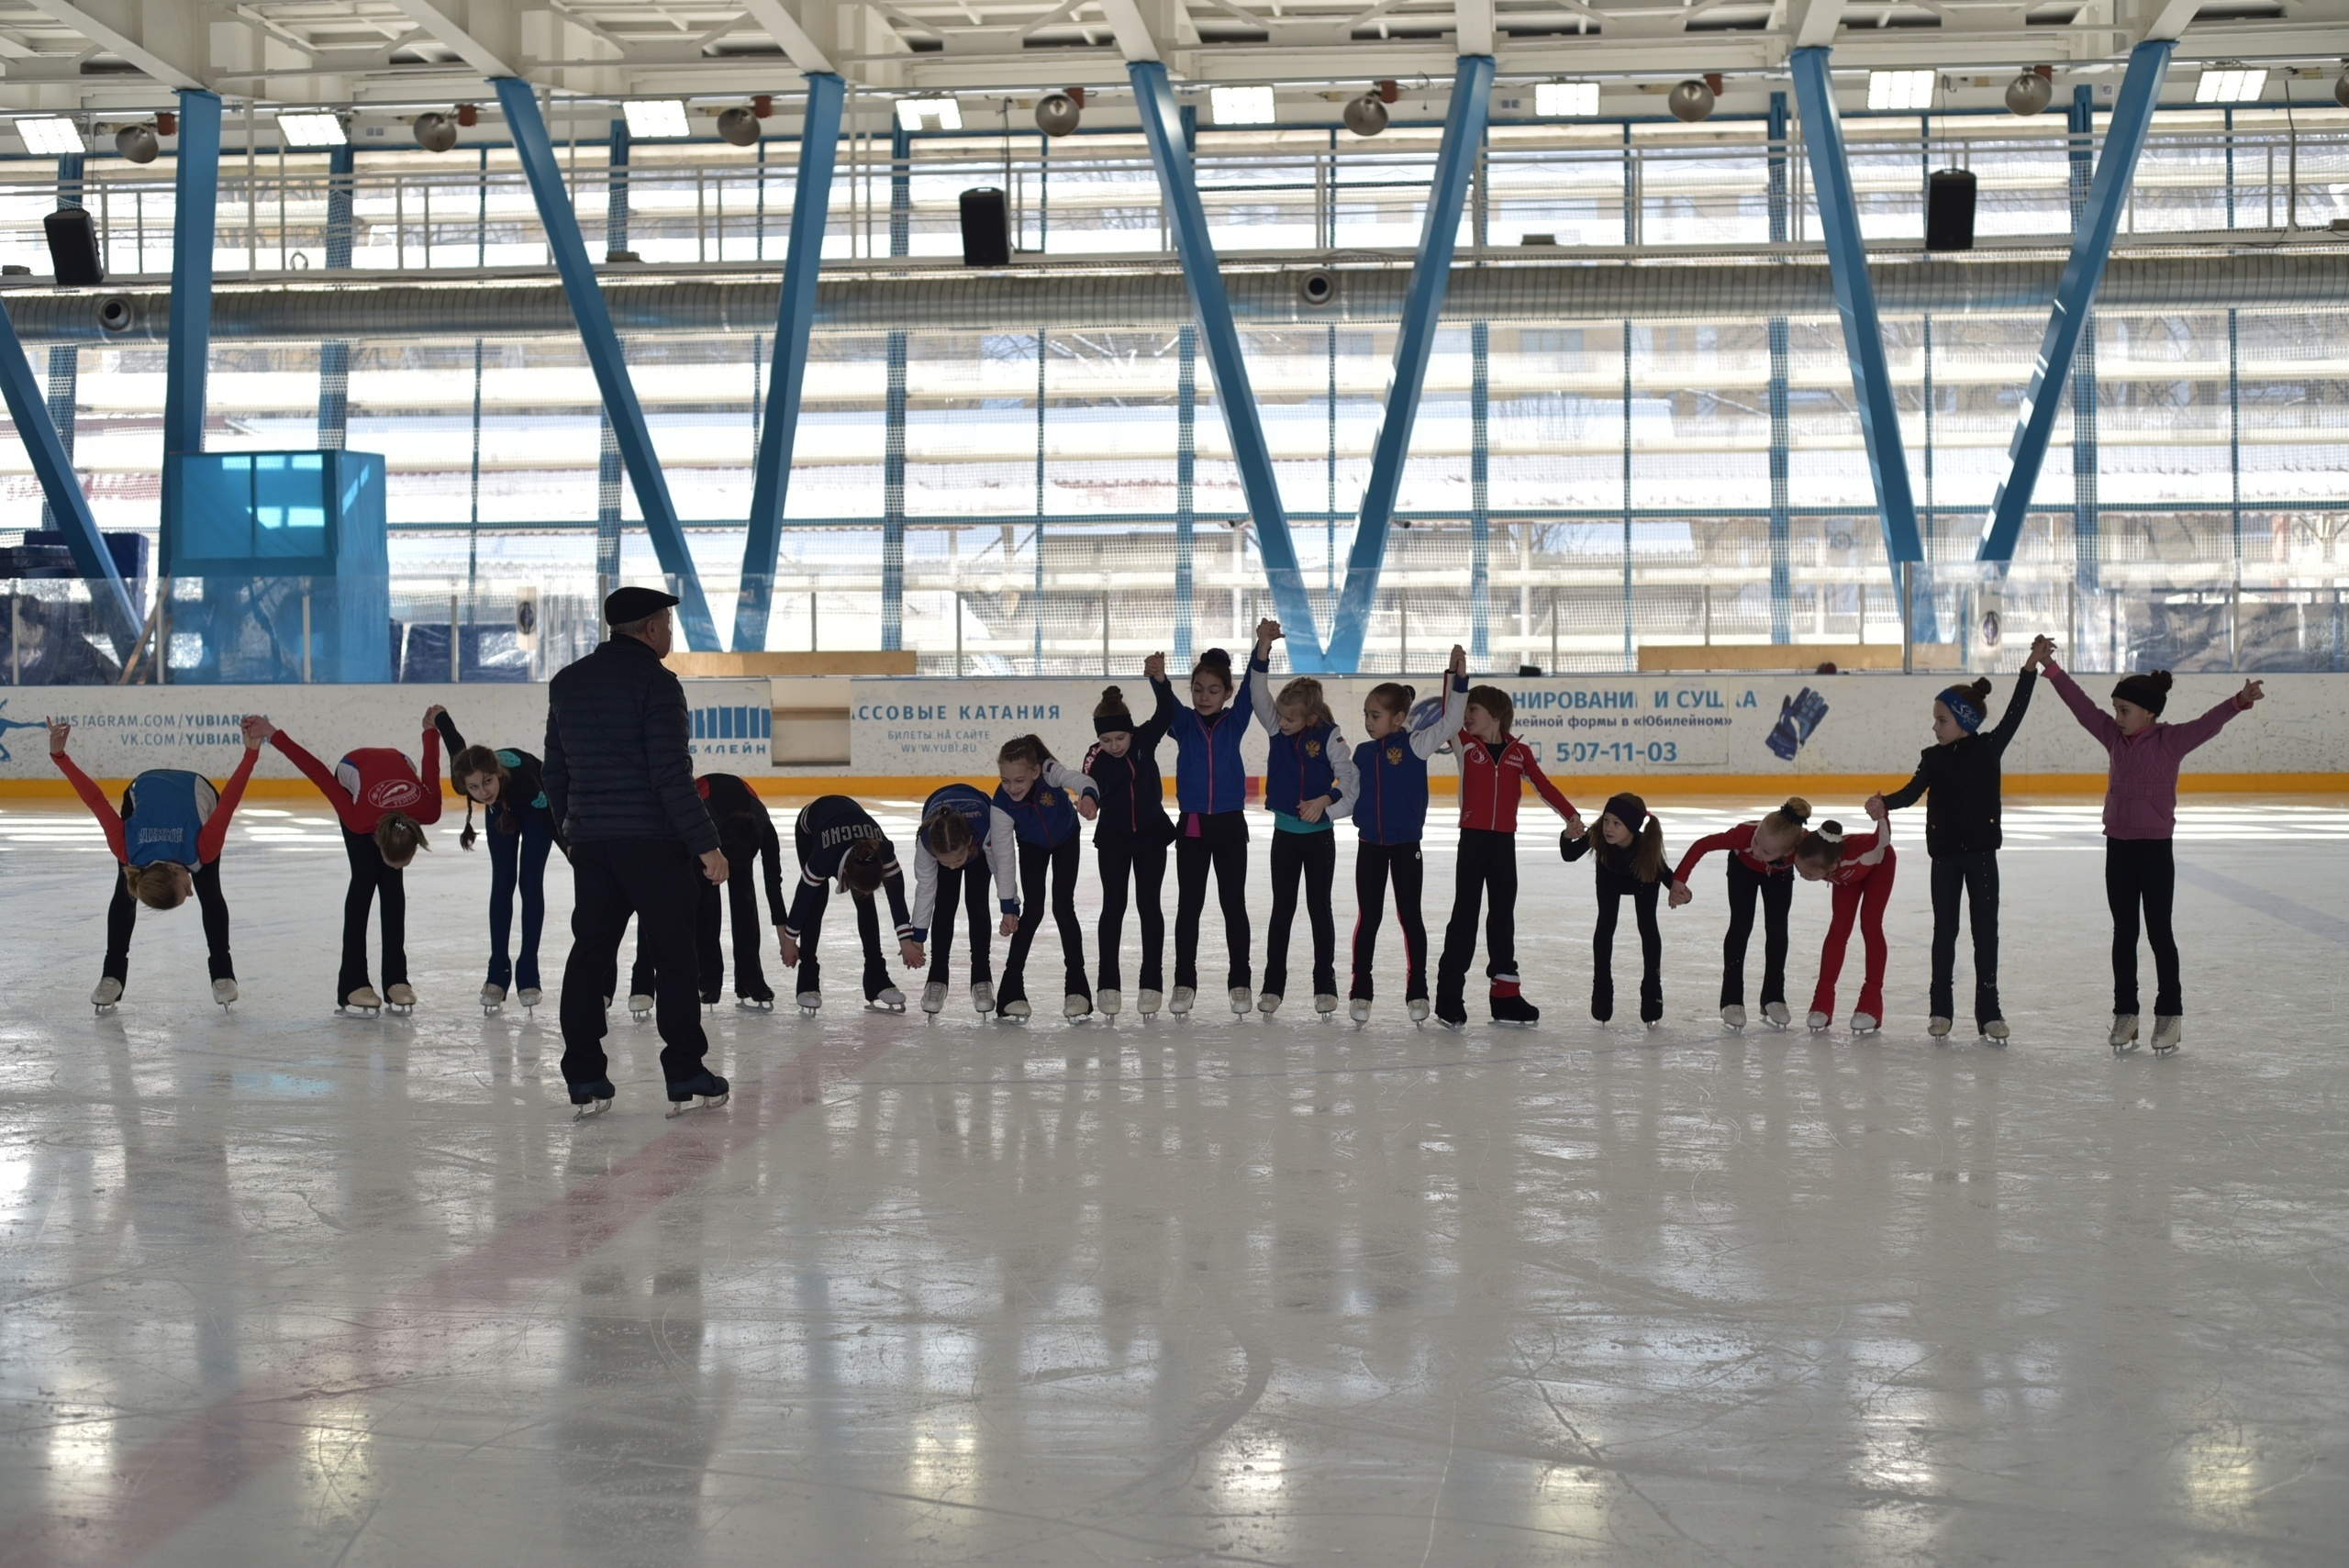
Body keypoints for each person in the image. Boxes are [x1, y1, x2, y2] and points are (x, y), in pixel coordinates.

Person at [544, 586, 730, 1118]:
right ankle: (686, 1072)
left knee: (589, 956)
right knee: (674, 956)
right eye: (666, 625)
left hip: (594, 848)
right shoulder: (658, 684)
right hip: (652, 845)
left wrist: (571, 834)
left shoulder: (568, 682)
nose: (669, 633)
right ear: (650, 629)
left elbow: (554, 771)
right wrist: (707, 845)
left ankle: (583, 1076)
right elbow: (671, 775)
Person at [2043, 651, 2265, 1055]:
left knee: (2160, 933)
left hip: (2155, 851)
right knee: (2123, 934)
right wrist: (2052, 669)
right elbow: (2082, 709)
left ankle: (2169, 1015)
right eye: (2116, 709)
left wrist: (2238, 702)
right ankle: (2125, 1014)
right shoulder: (2112, 737)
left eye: (2124, 710)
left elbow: (2206, 725)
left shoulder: (2170, 740)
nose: (2117, 716)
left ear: (2149, 713)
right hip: (2119, 848)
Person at [1865, 640, 2044, 1041]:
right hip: (1945, 859)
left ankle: (1989, 1011)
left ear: (1964, 721)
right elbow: (1910, 793)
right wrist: (1883, 803)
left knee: (1985, 933)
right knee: (1944, 932)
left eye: (1941, 720)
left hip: (1981, 857)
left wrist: (2029, 668)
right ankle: (1940, 1009)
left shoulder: (1988, 748)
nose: (1935, 727)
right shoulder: (1933, 758)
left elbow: (2016, 710)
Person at [49, 713, 264, 1012]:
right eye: (188, 892)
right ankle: (112, 976)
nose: (191, 891)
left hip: (193, 788)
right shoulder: (148, 851)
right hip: (152, 796)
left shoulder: (142, 849)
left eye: (184, 891)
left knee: (209, 892)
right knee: (130, 894)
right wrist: (58, 756)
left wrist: (252, 751)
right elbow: (95, 800)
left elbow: (226, 801)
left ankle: (223, 974)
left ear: (176, 871)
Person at [268, 705, 444, 1015]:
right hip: (354, 770)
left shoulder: (428, 810)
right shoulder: (358, 818)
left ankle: (396, 980)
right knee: (364, 880)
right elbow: (317, 771)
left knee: (392, 885)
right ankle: (352, 984)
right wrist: (272, 735)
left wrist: (430, 730)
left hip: (396, 764)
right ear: (377, 839)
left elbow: (431, 766)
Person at [1435, 682, 1581, 1029]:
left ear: (1496, 715)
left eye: (1474, 710)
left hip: (1504, 845)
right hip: (1472, 842)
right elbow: (1448, 713)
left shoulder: (1520, 752)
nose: (1466, 716)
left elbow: (1544, 786)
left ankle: (1505, 998)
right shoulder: (1464, 743)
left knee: (1502, 920)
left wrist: (1571, 816)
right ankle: (1449, 998)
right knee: (1465, 918)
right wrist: (1456, 677)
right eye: (1466, 709)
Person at [1348, 648, 1470, 1023]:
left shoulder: (1415, 744)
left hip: (1405, 848)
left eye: (1376, 715)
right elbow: (1350, 795)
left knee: (1409, 917)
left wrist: (1457, 680)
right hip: (1369, 846)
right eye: (1366, 715)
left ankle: (1417, 990)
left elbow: (1451, 723)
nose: (1368, 722)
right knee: (1368, 918)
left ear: (1399, 718)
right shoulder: (1363, 753)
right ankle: (1361, 991)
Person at [1247, 621, 1360, 1017]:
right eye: (1279, 715)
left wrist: (1324, 801)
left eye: (1290, 718)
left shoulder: (1329, 737)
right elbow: (1257, 691)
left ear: (1310, 719)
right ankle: (1272, 985)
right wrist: (1263, 647)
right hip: (1285, 838)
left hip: (1318, 840)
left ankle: (1324, 984)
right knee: (1282, 910)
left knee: (1319, 909)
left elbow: (1349, 779)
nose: (1281, 721)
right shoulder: (1277, 729)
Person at [1147, 643, 1258, 1016]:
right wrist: (1160, 678)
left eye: (1213, 691)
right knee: (1188, 907)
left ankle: (1240, 982)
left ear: (1226, 693)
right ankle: (1184, 982)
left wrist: (1263, 648)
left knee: (1233, 905)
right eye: (1197, 689)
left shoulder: (1236, 719)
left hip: (1229, 824)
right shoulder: (1183, 723)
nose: (1204, 697)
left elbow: (1251, 689)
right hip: (1192, 824)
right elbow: (1168, 704)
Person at [621, 774, 788, 1011]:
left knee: (745, 900)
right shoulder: (701, 824)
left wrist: (784, 934)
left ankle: (750, 980)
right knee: (706, 903)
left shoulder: (764, 829)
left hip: (737, 833)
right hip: (706, 833)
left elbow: (773, 882)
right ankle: (708, 980)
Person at [440, 709, 567, 1013]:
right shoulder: (467, 778)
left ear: (497, 773)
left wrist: (574, 852)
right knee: (503, 882)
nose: (482, 792)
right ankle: (497, 972)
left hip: (536, 808)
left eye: (487, 782)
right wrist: (442, 718)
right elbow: (456, 745)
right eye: (474, 787)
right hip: (503, 811)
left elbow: (552, 820)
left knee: (529, 881)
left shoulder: (526, 784)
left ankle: (528, 972)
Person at [1670, 798, 1811, 1030]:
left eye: (1765, 851)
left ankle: (1773, 997)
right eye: (1756, 841)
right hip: (1742, 869)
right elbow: (1702, 845)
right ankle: (1731, 998)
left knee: (1777, 931)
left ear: (1788, 851)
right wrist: (1679, 880)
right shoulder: (1743, 835)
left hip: (1779, 876)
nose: (1756, 850)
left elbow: (1826, 855)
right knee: (1740, 926)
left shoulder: (1802, 844)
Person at [990, 734, 1102, 1019]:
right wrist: (1008, 906)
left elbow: (1081, 781)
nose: (1012, 788)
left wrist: (1088, 797)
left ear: (1035, 771)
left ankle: (1078, 990)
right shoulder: (1001, 804)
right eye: (1006, 780)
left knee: (1063, 907)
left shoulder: (1049, 772)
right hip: (1032, 845)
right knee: (1034, 910)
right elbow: (1004, 858)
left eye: (1019, 781)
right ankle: (1010, 991)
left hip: (1065, 837)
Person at [1082, 684, 1174, 1018]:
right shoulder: (1096, 754)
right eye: (1106, 740)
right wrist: (1088, 799)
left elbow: (1166, 712)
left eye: (1119, 738)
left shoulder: (1144, 738)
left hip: (1150, 835)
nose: (1114, 746)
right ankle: (1108, 984)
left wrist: (1160, 681)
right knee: (1114, 906)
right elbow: (1086, 781)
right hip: (1114, 839)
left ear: (1129, 730)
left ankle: (1151, 981)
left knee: (1149, 905)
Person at [778, 795, 918, 1013]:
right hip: (810, 825)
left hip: (848, 814)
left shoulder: (883, 850)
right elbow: (801, 900)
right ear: (845, 872)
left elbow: (897, 899)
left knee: (865, 903)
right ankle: (807, 981)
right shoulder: (823, 858)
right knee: (816, 898)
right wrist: (788, 942)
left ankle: (876, 979)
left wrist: (906, 942)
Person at [907, 783, 1020, 1016]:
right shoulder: (926, 842)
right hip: (944, 826)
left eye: (955, 861)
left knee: (977, 904)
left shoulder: (987, 830)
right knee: (944, 905)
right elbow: (925, 888)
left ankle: (981, 977)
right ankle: (936, 978)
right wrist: (917, 936)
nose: (950, 868)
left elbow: (1002, 867)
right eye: (944, 862)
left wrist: (1010, 907)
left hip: (978, 844)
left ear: (969, 842)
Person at [1560, 792, 1670, 1027]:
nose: (1609, 827)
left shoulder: (1646, 848)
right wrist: (1566, 835)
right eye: (1607, 820)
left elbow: (1666, 873)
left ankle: (1652, 988)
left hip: (1643, 880)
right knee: (1606, 924)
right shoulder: (1600, 836)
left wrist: (1681, 890)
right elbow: (1569, 855)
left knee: (1647, 925)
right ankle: (1601, 986)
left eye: (1617, 823)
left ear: (1632, 827)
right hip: (1610, 877)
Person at [1794, 807, 1896, 1036]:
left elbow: (1883, 839)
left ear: (1830, 868)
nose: (1803, 877)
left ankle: (1871, 1003)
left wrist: (1881, 814)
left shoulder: (1861, 852)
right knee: (1838, 928)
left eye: (1809, 875)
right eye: (1799, 870)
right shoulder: (1810, 853)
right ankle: (1822, 1002)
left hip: (1878, 865)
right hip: (1847, 878)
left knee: (1870, 925)